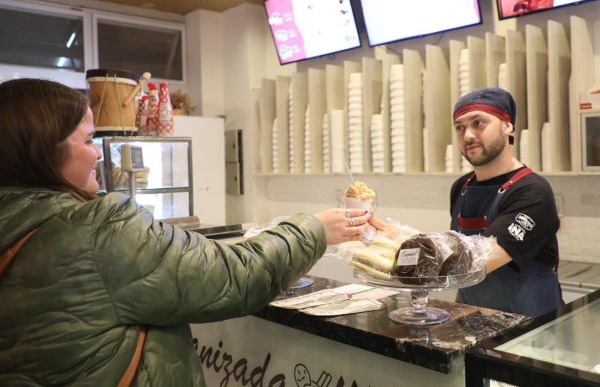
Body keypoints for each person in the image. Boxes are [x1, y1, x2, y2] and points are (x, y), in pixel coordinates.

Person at [0, 78, 371, 386]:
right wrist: (315, 229)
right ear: (44, 151)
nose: (99, 153)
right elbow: (233, 275)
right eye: (87, 140)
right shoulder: (97, 229)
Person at [370, 87, 562, 318]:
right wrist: (398, 240)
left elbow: (475, 262)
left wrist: (405, 252)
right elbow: (454, 251)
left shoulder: (532, 192)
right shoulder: (462, 187)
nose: (468, 135)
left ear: (507, 125)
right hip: (472, 321)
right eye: (460, 128)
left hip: (529, 334)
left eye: (478, 123)